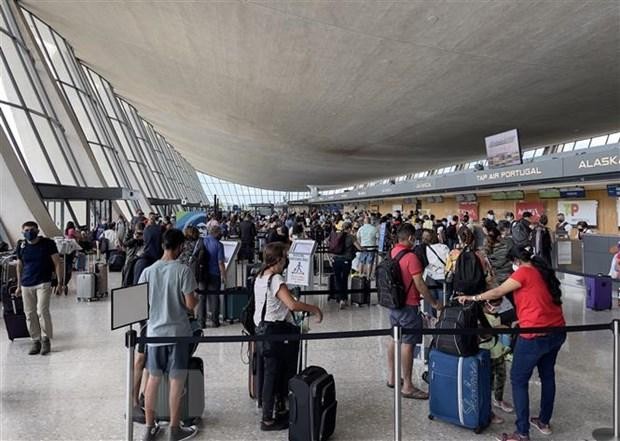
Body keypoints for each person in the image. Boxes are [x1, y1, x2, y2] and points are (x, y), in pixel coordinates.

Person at [458, 245, 566, 441]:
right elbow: (536, 300)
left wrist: (471, 297)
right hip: (557, 331)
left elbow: (496, 292)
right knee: (547, 376)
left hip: (534, 335)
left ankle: (522, 433)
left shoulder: (523, 272)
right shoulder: (542, 271)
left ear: (516, 261)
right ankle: (543, 422)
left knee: (518, 380)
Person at [253, 242, 323, 431]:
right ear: (277, 259)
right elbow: (292, 305)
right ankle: (268, 418)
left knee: (272, 373)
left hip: (263, 329)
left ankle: (278, 410)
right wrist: (314, 309)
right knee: (274, 374)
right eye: (284, 257)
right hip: (276, 331)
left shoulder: (260, 276)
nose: (286, 261)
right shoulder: (275, 279)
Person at [139, 229, 199, 441]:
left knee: (153, 380)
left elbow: (141, 305)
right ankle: (175, 428)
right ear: (180, 246)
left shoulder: (147, 271)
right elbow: (191, 304)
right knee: (176, 381)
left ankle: (149, 427)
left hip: (155, 333)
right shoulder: (183, 271)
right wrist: (192, 301)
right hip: (178, 334)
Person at [387, 223, 443, 400]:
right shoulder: (411, 257)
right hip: (409, 305)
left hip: (393, 304)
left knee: (393, 338)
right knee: (408, 344)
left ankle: (392, 377)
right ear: (410, 238)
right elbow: (420, 284)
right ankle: (408, 386)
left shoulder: (392, 252)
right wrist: (433, 303)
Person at [15, 221, 62, 356]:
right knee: (29, 314)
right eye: (26, 230)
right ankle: (35, 340)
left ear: (37, 230)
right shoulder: (21, 245)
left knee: (42, 311)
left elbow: (57, 263)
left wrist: (60, 283)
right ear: (23, 232)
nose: (29, 232)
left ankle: (46, 339)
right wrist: (18, 286)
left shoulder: (47, 243)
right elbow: (19, 266)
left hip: (43, 282)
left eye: (32, 229)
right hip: (26, 284)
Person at [198, 224, 226, 328]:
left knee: (202, 298)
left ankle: (201, 322)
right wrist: (224, 275)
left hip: (202, 273)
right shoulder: (219, 245)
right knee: (214, 297)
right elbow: (220, 263)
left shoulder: (203, 241)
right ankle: (215, 321)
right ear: (217, 233)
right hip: (214, 274)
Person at [331, 222, 361, 309]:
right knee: (344, 279)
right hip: (346, 260)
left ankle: (340, 298)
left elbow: (328, 242)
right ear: (349, 228)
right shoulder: (351, 237)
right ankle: (343, 299)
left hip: (336, 260)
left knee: (338, 279)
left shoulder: (336, 235)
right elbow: (359, 248)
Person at [423, 230, 449, 317]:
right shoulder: (445, 247)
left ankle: (432, 318)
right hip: (443, 275)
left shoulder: (427, 248)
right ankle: (443, 317)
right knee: (443, 298)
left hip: (431, 275)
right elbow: (448, 261)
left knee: (432, 299)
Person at [60, 221, 79, 296]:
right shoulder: (72, 230)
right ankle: (66, 278)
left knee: (66, 263)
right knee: (69, 263)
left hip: (66, 250)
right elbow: (77, 236)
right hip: (71, 249)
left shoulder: (66, 231)